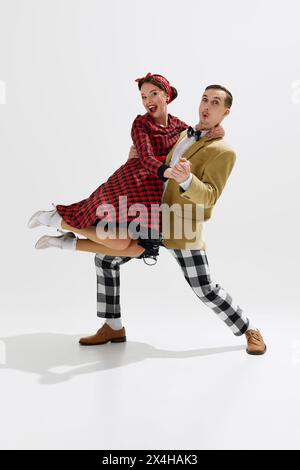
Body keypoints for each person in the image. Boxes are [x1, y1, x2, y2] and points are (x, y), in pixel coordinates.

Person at [79, 84, 267, 356]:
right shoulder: (181, 135)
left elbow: (210, 196)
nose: (206, 105)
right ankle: (113, 326)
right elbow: (153, 161)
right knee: (105, 259)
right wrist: (133, 159)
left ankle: (249, 329)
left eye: (215, 102)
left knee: (205, 288)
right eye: (204, 99)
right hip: (150, 219)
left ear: (225, 112)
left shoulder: (224, 151)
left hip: (181, 227)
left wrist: (187, 179)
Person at [27, 73, 223, 263]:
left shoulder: (179, 126)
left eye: (153, 93)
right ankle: (57, 220)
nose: (148, 100)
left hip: (152, 193)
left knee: (138, 249)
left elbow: (194, 137)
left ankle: (66, 243)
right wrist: (167, 171)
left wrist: (217, 130)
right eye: (144, 97)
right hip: (131, 185)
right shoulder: (140, 123)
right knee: (120, 241)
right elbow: (146, 157)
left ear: (166, 95)